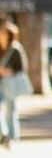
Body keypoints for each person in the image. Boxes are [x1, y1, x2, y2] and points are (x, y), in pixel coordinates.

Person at [0, 19, 28, 147]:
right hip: (1, 83)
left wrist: (7, 71)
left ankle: (12, 136)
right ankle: (4, 133)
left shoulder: (15, 48)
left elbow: (21, 68)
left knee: (11, 110)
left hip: (10, 82)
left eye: (3, 31)